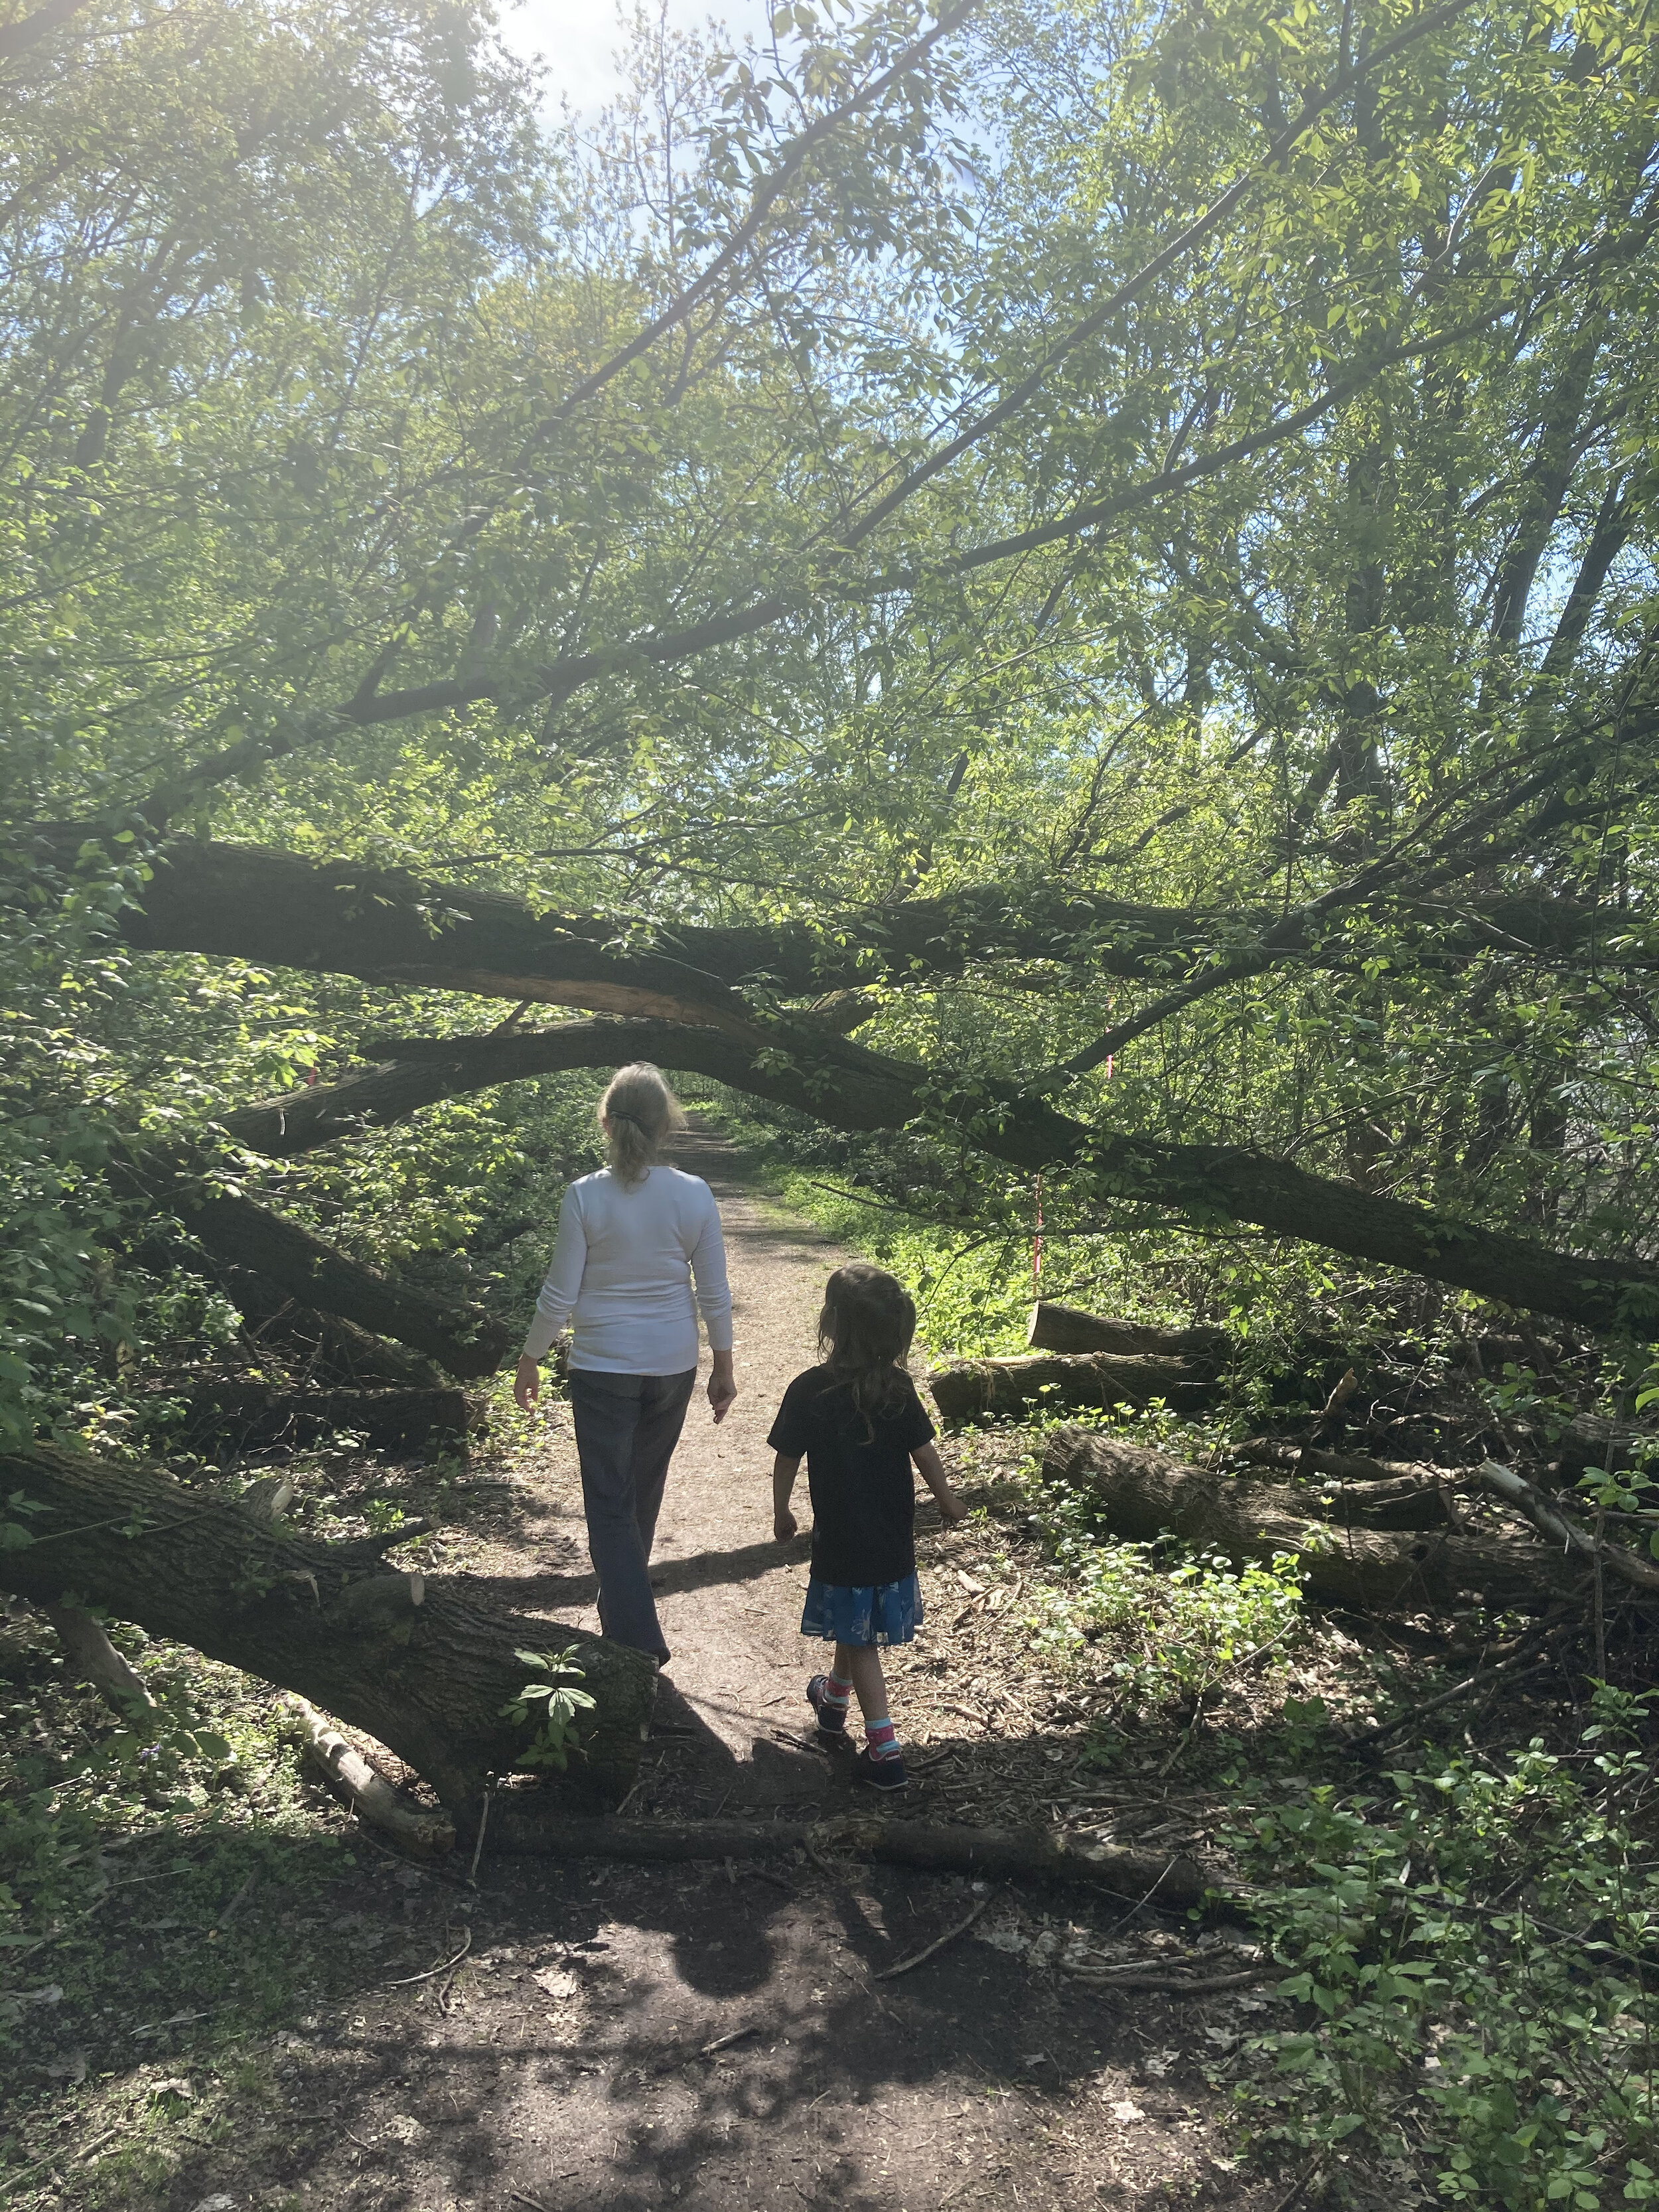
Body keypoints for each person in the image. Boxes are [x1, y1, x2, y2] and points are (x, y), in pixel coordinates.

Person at [514, 1063, 735, 1667]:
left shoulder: (585, 1195)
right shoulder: (692, 1193)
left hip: (603, 1368)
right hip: (672, 1365)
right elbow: (713, 1290)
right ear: (667, 1123)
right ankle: (622, 1608)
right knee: (640, 1492)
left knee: (611, 1502)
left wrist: (531, 1355)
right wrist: (723, 1364)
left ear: (605, 1121)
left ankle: (636, 1638)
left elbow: (560, 1293)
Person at [768, 1262, 966, 1790]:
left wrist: (782, 1509)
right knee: (855, 1622)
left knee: (861, 1641)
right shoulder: (897, 1386)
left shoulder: (810, 1388)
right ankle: (833, 1702)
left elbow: (787, 1458)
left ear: (832, 1323)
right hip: (891, 1536)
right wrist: (948, 1500)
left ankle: (885, 1752)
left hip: (844, 1538)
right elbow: (925, 1453)